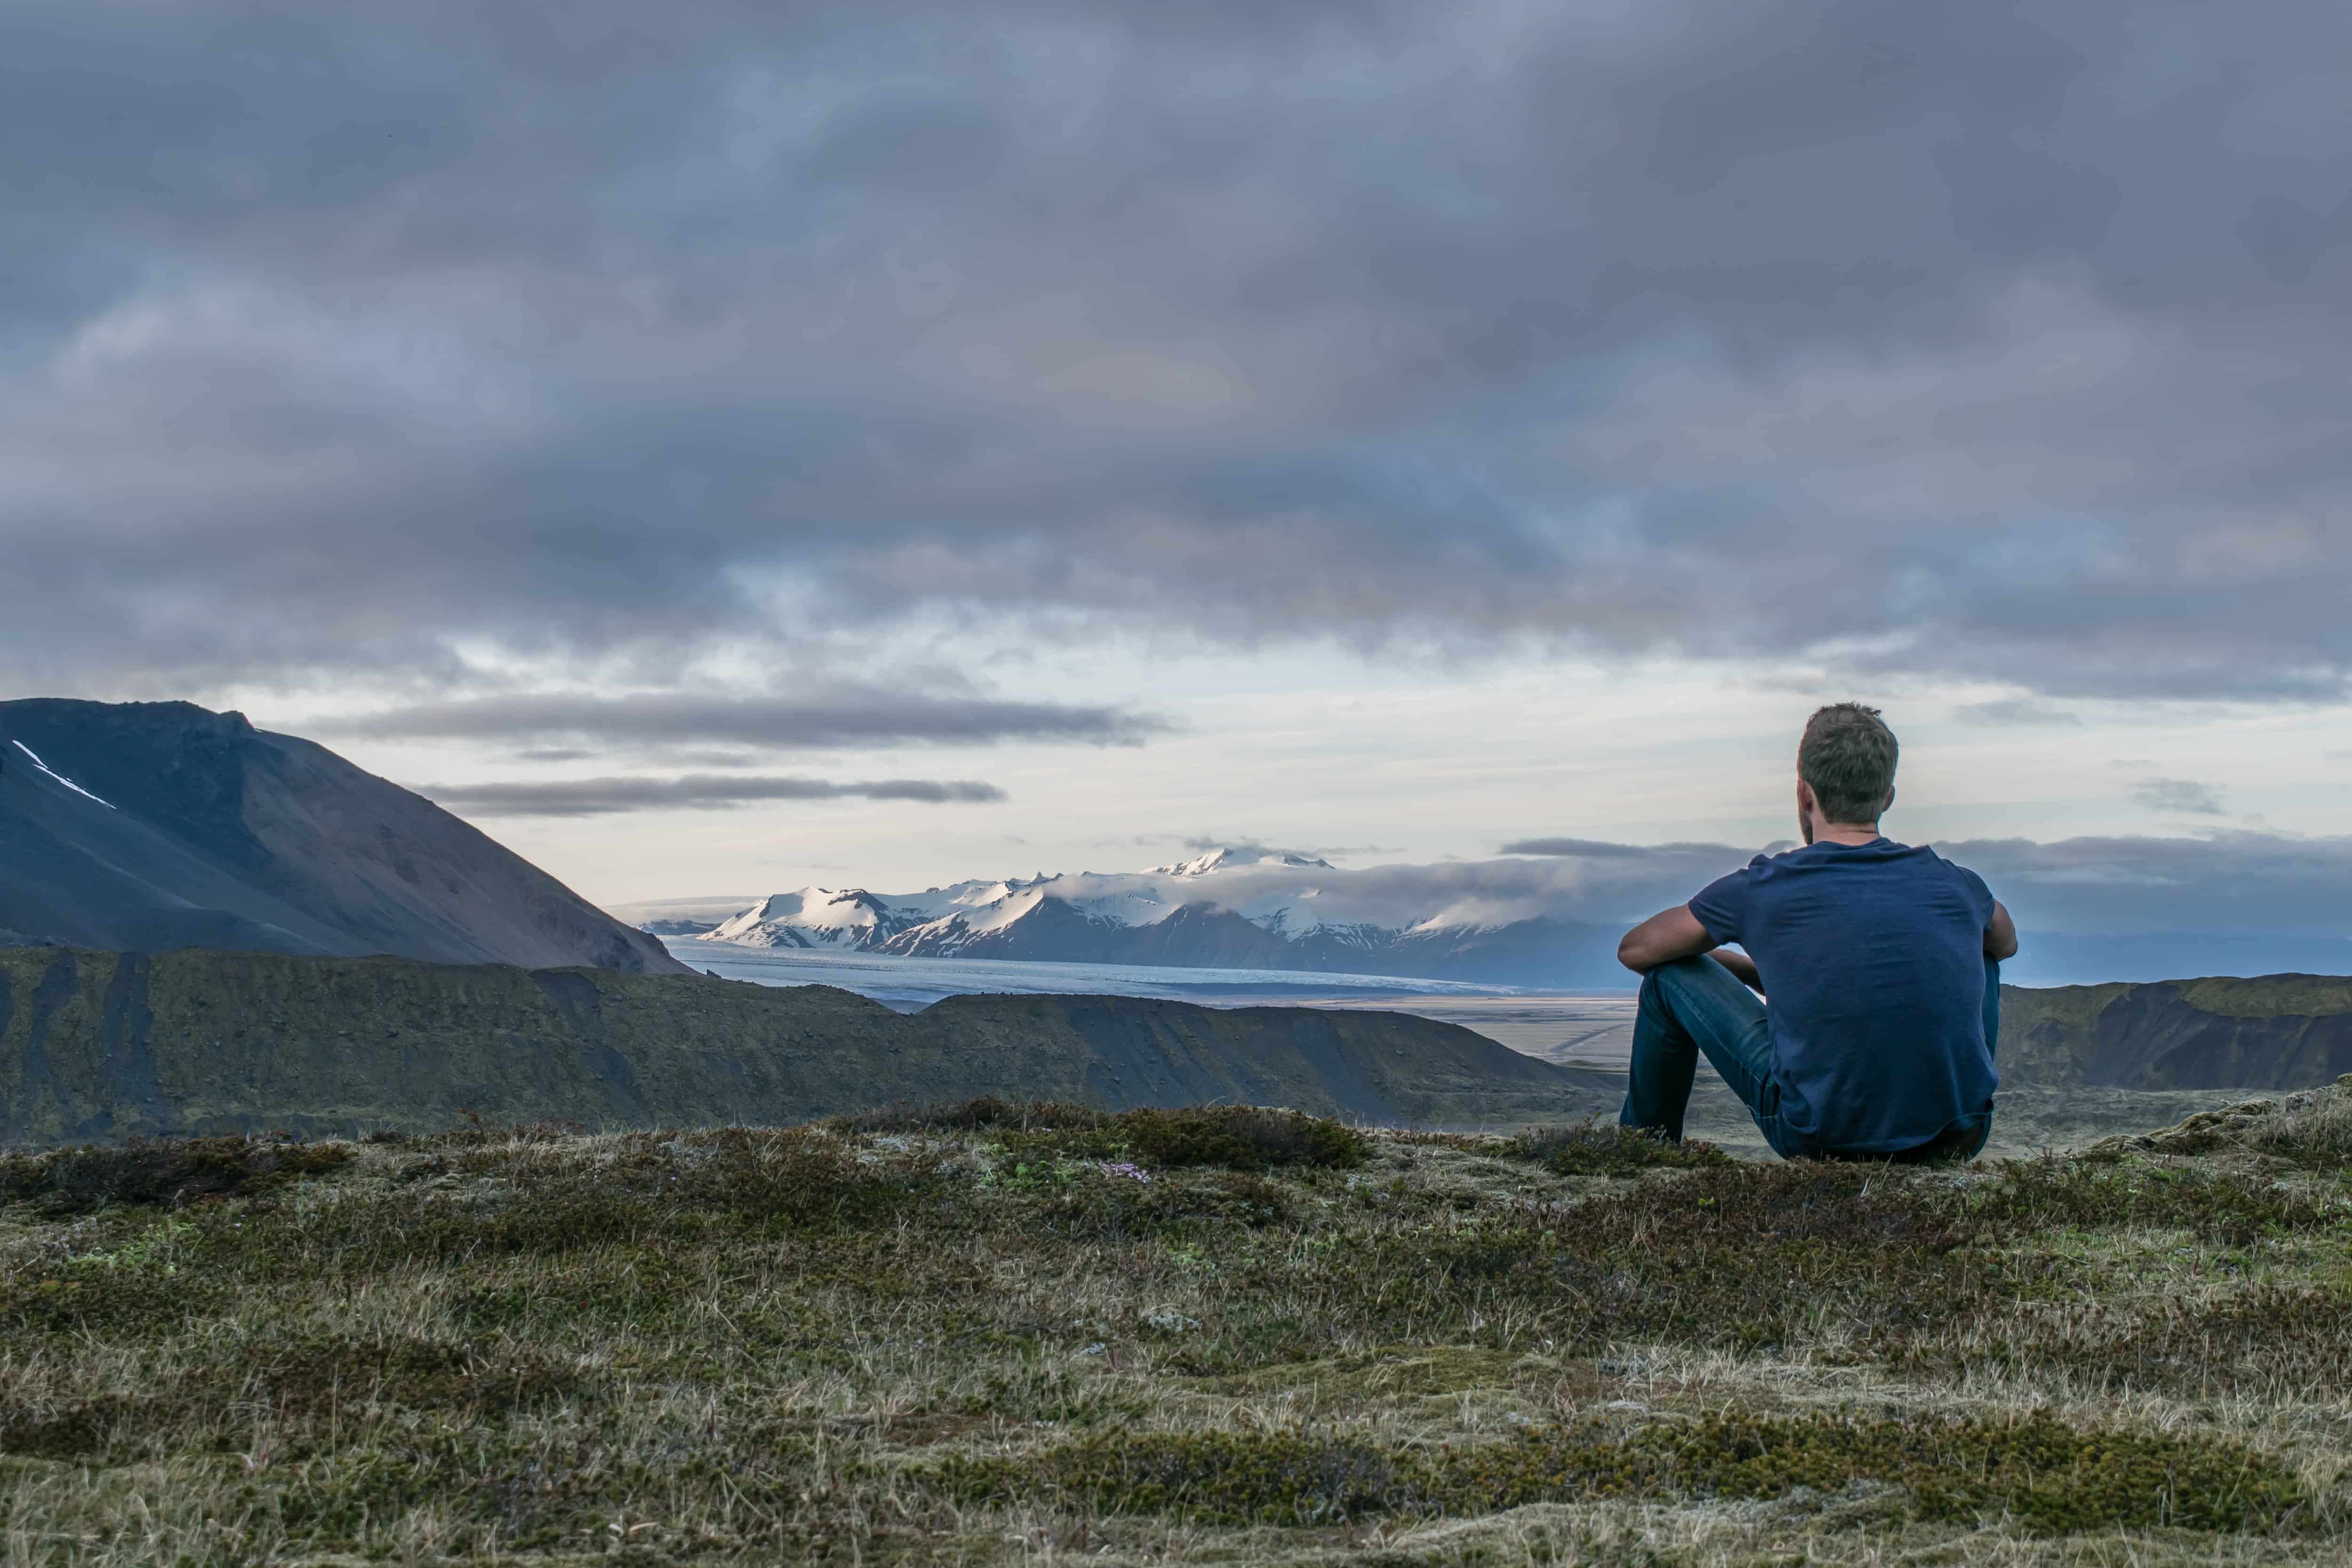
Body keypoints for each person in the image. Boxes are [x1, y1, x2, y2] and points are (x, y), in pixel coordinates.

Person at [1614, 703, 2017, 1162]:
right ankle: (1949, 1107)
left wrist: (1711, 960)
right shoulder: (1958, 884)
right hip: (1959, 1135)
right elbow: (2004, 944)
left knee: (1666, 980)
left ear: (1804, 794)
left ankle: (1641, 1155)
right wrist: (1758, 972)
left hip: (1819, 1138)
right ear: (1886, 797)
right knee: (1982, 952)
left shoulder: (1762, 887)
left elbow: (1635, 950)